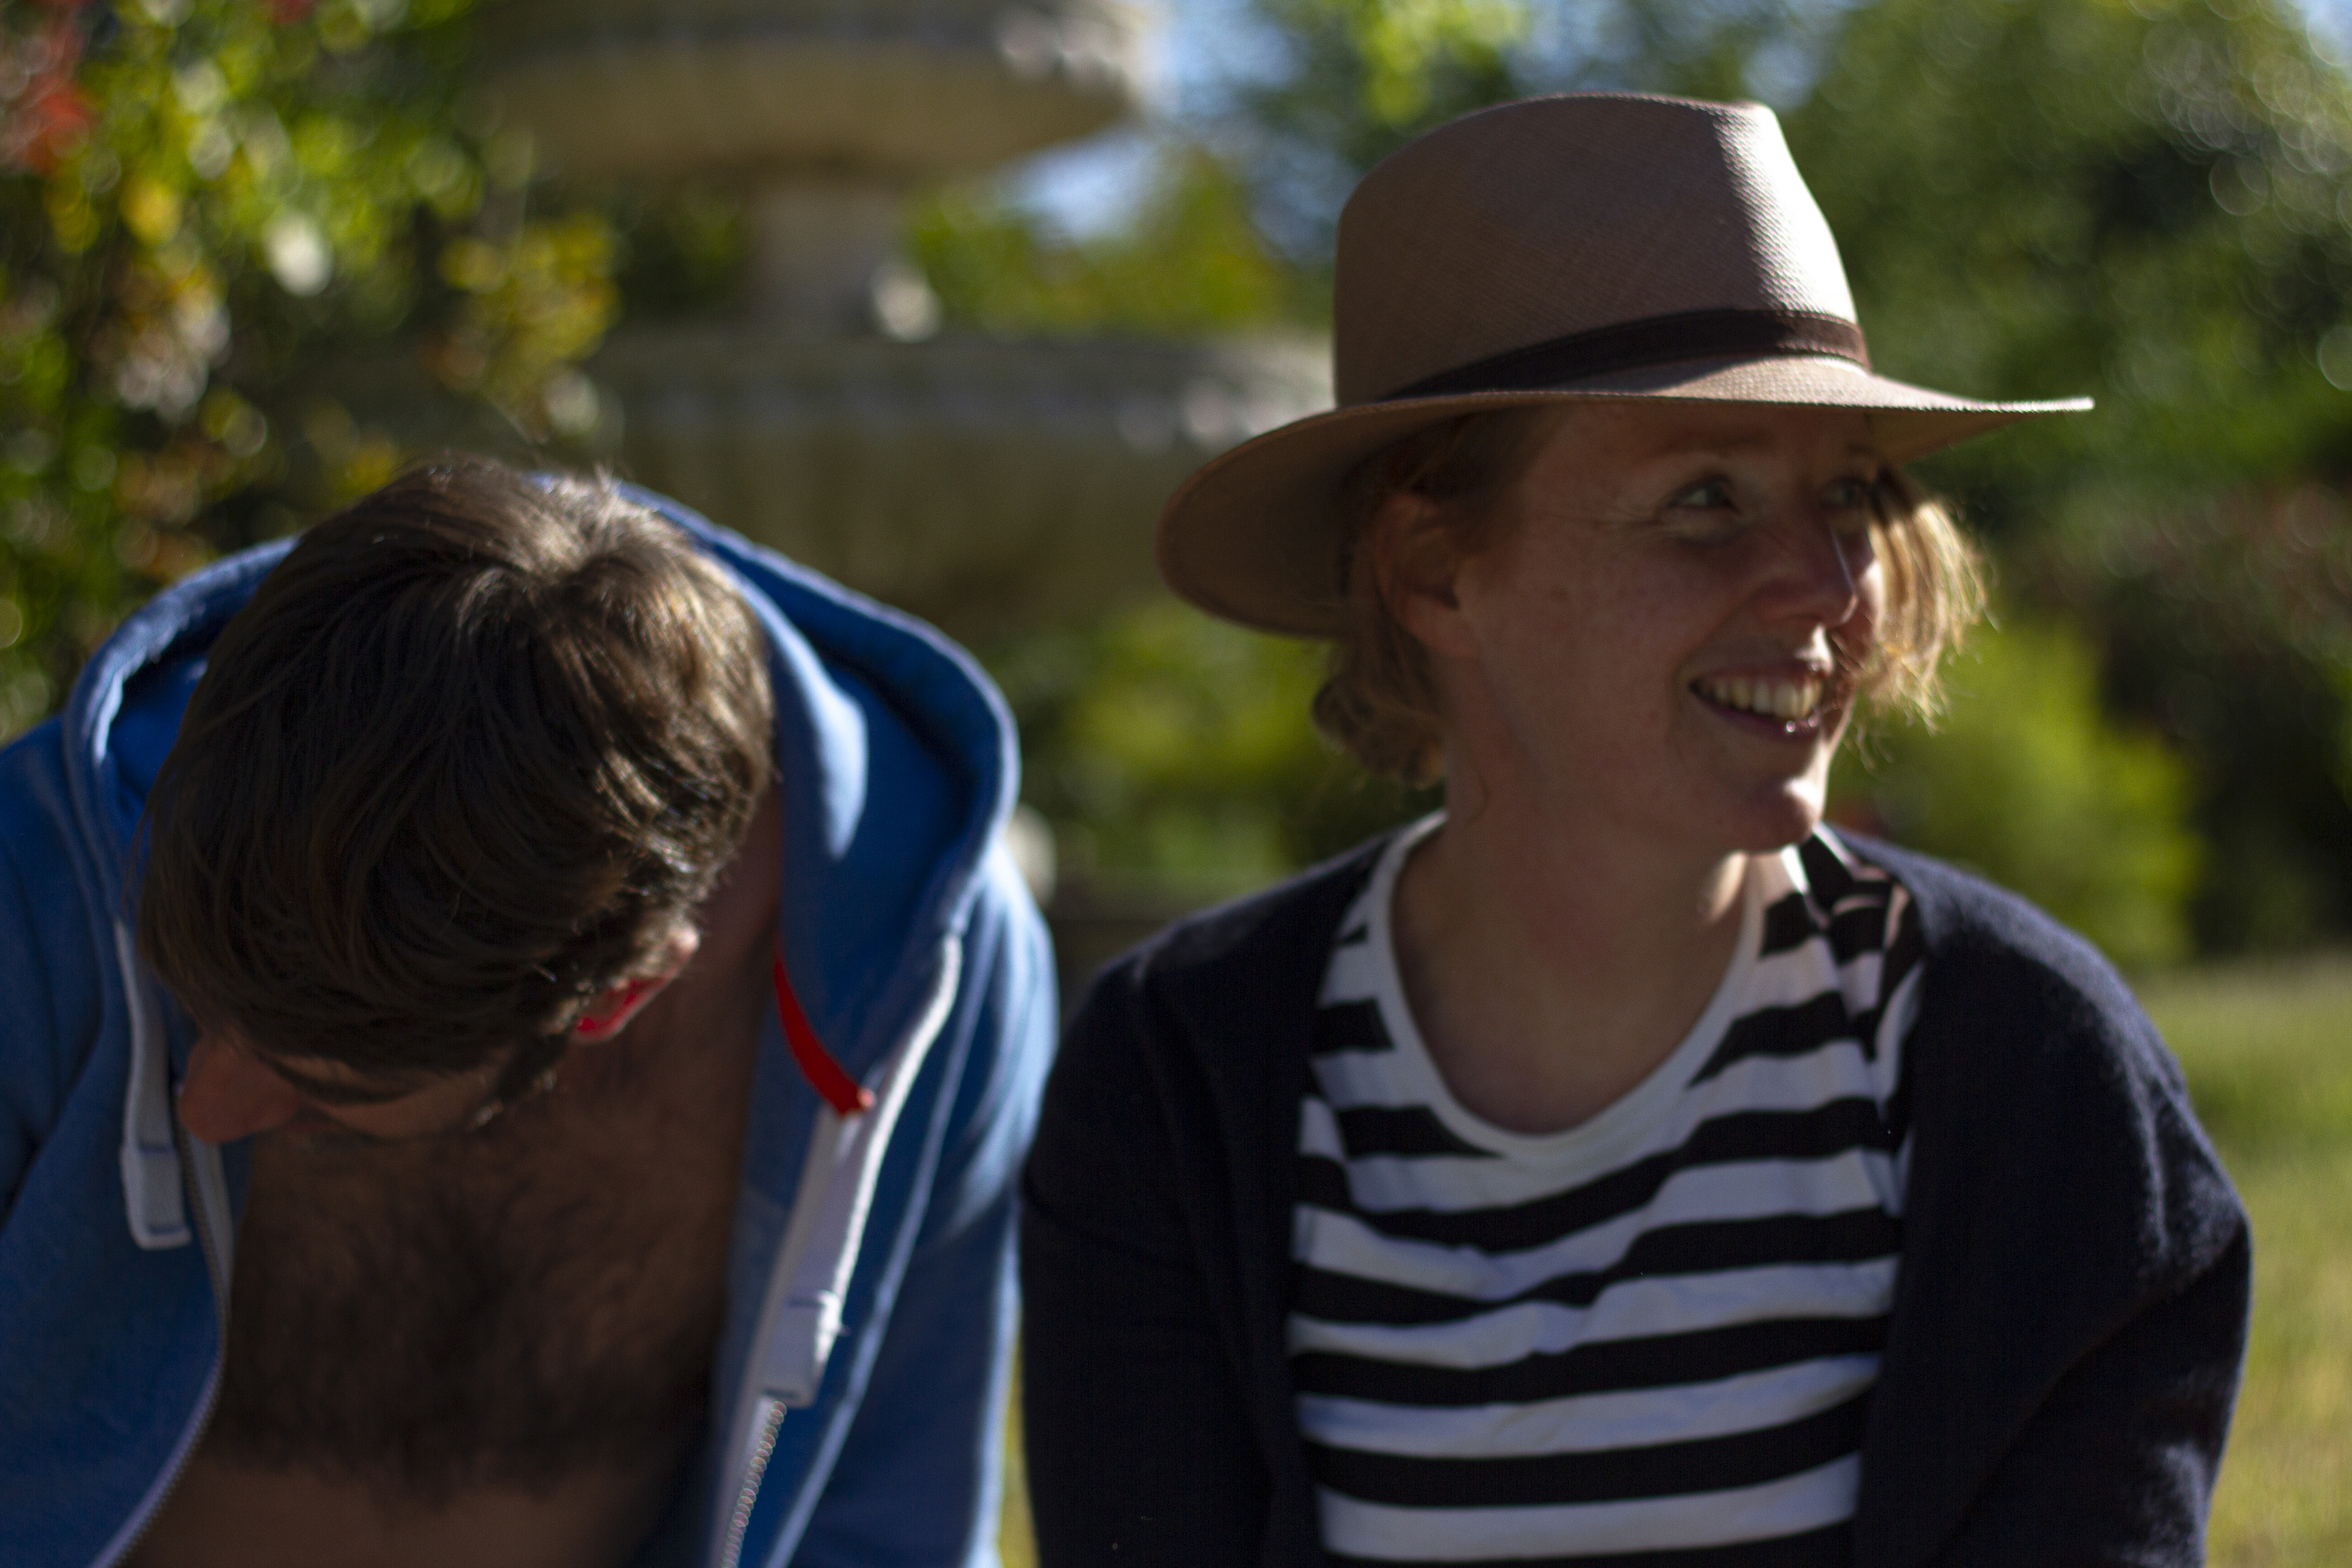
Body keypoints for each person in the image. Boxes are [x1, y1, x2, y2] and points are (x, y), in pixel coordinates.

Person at [1021, 93, 2249, 1568]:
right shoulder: (1176, 1079)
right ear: (1434, 568)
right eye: (1706, 496)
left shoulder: (2026, 1068)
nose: (1825, 584)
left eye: (1850, 493)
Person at [0, 458, 1054, 1568]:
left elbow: (887, 1525)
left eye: (321, 1091)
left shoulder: (928, 968)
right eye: (189, 995)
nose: (205, 1107)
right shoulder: (40, 878)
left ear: (619, 998)